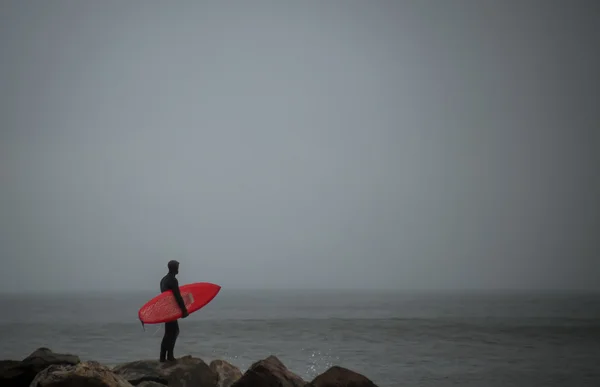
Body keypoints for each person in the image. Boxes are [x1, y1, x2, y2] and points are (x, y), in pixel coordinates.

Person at [159, 260, 189, 362]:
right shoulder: (172, 280)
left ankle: (163, 357)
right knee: (174, 331)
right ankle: (169, 356)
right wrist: (184, 310)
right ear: (174, 268)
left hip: (165, 309)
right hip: (170, 310)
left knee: (168, 332)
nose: (178, 269)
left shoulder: (163, 280)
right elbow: (177, 296)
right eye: (177, 267)